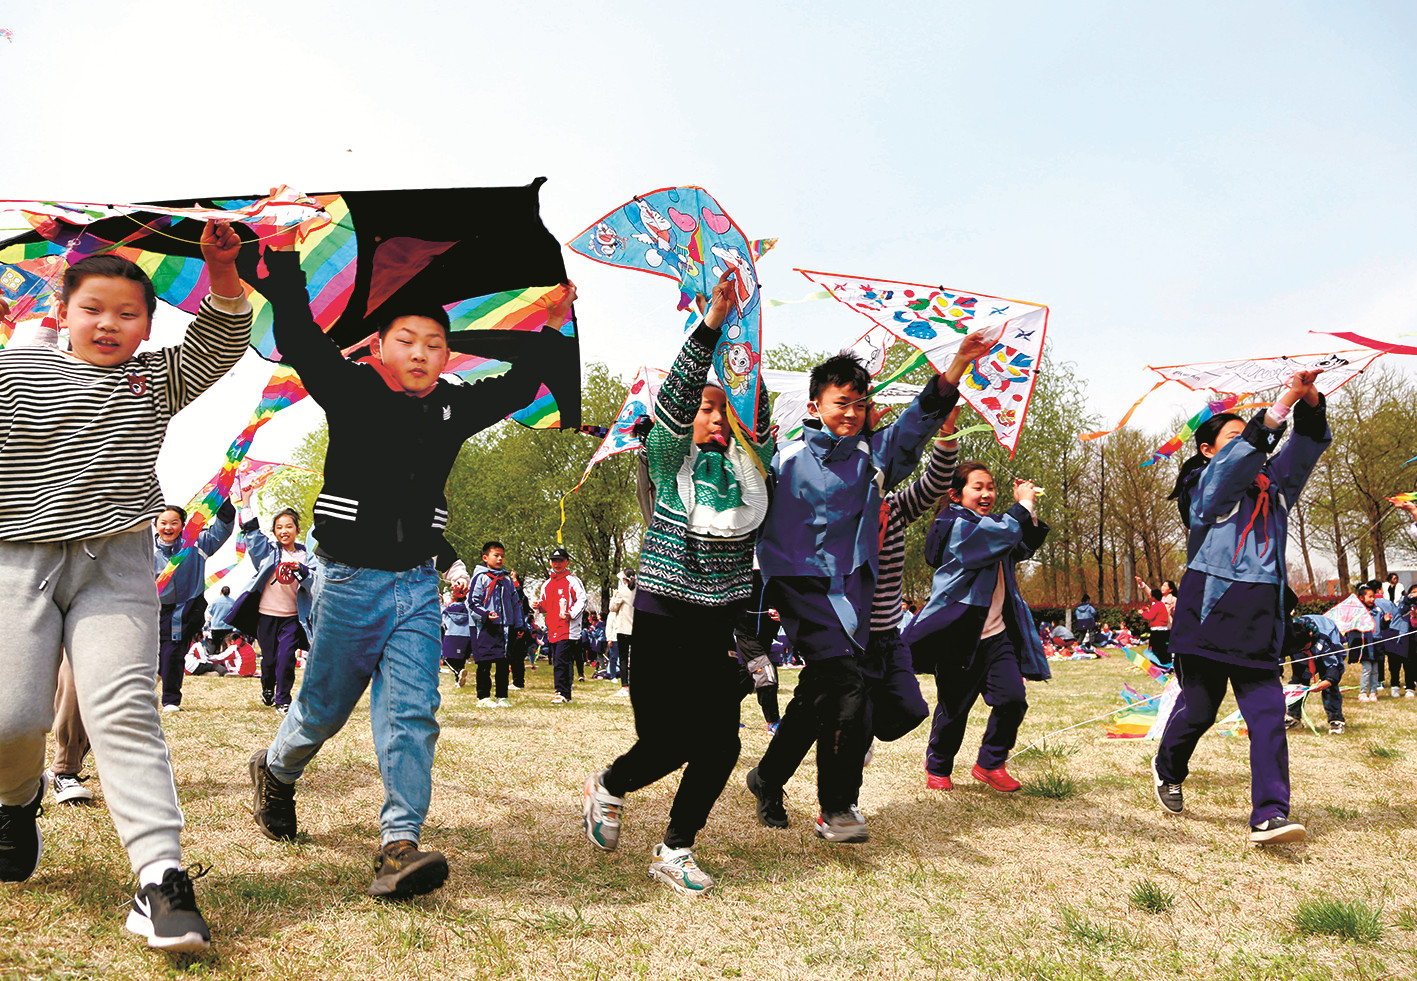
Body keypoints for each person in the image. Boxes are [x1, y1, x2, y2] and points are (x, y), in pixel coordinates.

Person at [245, 248, 575, 898]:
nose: (421, 352)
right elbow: (301, 341)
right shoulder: (351, 388)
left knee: (412, 713)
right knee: (321, 710)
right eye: (407, 341)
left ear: (448, 357)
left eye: (434, 343)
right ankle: (277, 772)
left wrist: (553, 317)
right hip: (346, 582)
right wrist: (285, 280)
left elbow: (523, 380)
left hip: (417, 586)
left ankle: (398, 844)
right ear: (378, 347)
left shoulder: (452, 409)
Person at [0, 222, 249, 951]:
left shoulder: (152, 377)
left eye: (128, 313)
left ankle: (160, 878)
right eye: (93, 308)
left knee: (125, 710)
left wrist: (222, 270)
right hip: (17, 557)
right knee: (13, 716)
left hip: (116, 563)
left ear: (147, 324)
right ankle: (16, 803)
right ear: (63, 308)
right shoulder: (16, 371)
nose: (108, 323)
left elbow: (219, 341)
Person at [581, 269, 772, 895]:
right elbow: (678, 393)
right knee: (667, 741)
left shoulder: (750, 472)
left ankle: (676, 848)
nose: (714, 416)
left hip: (718, 623)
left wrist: (748, 339)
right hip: (663, 618)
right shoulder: (667, 459)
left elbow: (757, 411)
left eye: (725, 409)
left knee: (719, 745)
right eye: (704, 408)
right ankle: (610, 783)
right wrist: (713, 324)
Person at [748, 408, 968, 829]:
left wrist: (946, 430)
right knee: (833, 714)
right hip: (841, 633)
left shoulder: (895, 507)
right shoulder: (830, 509)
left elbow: (937, 482)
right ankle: (816, 796)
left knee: (901, 710)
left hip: (885, 636)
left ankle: (787, 771)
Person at [1152, 370, 1328, 845]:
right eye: (1234, 437)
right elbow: (1229, 474)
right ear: (1208, 450)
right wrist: (1278, 409)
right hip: (1208, 612)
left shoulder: (1275, 485)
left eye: (1247, 436)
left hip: (1260, 619)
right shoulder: (1200, 485)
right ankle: (1168, 765)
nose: (1248, 444)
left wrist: (1309, 402)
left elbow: (1307, 446)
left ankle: (1269, 814)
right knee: (1200, 710)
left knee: (1268, 715)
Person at [906, 462, 1050, 793]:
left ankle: (990, 763)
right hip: (960, 635)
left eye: (991, 487)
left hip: (997, 636)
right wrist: (1022, 506)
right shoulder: (953, 524)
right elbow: (995, 537)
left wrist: (1030, 509)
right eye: (977, 487)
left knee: (1013, 699)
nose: (986, 494)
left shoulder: (993, 526)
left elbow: (1021, 546)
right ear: (956, 495)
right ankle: (938, 765)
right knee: (954, 708)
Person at [229, 493, 312, 713]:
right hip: (266, 616)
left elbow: (316, 582)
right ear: (275, 532)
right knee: (269, 660)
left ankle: (283, 699)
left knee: (286, 659)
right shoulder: (268, 552)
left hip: (292, 618)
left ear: (297, 530)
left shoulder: (307, 558)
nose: (284, 531)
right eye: (279, 527)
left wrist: (301, 571)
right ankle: (267, 685)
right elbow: (253, 536)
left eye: (289, 526)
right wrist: (246, 503)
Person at [153, 500, 237, 712]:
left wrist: (223, 500)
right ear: (155, 525)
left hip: (186, 610)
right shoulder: (144, 549)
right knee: (151, 655)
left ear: (183, 525)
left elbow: (222, 529)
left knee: (173, 653)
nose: (168, 527)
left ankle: (171, 700)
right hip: (153, 609)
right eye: (163, 522)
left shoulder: (197, 543)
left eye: (174, 523)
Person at [467, 540, 524, 707]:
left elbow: (515, 603)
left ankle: (502, 696)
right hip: (485, 627)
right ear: (485, 557)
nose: (500, 559)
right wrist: (485, 614)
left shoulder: (507, 580)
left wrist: (519, 625)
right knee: (484, 662)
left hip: (505, 627)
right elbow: (472, 603)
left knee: (503, 662)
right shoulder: (480, 578)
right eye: (496, 555)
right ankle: (483, 697)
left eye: (503, 556)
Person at [537, 547, 586, 703]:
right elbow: (545, 605)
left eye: (560, 561)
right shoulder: (547, 584)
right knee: (559, 660)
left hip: (567, 627)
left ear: (567, 562)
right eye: (554, 561)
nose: (557, 564)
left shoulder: (573, 581)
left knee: (561, 660)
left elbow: (582, 600)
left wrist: (571, 614)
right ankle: (566, 693)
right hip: (552, 627)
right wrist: (538, 606)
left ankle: (560, 692)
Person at [1286, 614, 1345, 734]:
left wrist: (1328, 680)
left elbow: (1335, 665)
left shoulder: (1327, 636)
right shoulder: (1288, 636)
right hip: (1302, 655)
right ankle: (1293, 717)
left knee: (1330, 687)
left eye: (1304, 648)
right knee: (1298, 682)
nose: (1303, 651)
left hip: (1325, 653)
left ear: (1310, 637)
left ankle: (1336, 719)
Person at [1349, 584, 1383, 702]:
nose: (1372, 599)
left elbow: (1381, 626)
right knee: (1367, 668)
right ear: (1362, 598)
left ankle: (1373, 692)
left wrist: (1386, 622)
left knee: (1375, 670)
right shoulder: (1358, 611)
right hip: (1365, 643)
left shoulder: (1377, 610)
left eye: (1374, 597)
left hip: (1376, 642)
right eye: (1370, 597)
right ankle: (1363, 692)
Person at [607, 570, 636, 697]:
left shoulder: (622, 592)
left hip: (624, 629)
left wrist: (614, 595)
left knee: (623, 658)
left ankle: (625, 686)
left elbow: (612, 608)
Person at [441, 580, 473, 685]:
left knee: (447, 659)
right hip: (465, 636)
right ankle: (458, 680)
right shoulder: (468, 610)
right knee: (461, 659)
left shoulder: (447, 610)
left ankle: (457, 672)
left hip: (451, 636)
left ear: (453, 598)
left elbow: (442, 623)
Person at [1137, 585, 1172, 664]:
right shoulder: (1161, 605)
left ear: (1154, 597)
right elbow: (1157, 615)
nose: (1149, 597)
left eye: (1150, 595)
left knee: (1156, 648)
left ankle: (1158, 663)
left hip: (1157, 631)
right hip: (1164, 630)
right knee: (1163, 648)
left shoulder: (1156, 605)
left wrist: (1143, 613)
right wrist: (1149, 610)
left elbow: (1150, 617)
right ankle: (1166, 662)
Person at [207, 585, 237, 654]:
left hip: (216, 626)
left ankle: (213, 661)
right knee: (226, 646)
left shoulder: (215, 601)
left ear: (221, 592)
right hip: (227, 626)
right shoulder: (232, 602)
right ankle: (225, 662)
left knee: (214, 645)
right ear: (229, 593)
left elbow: (211, 611)